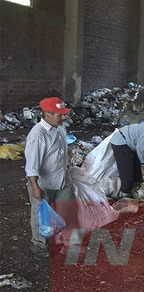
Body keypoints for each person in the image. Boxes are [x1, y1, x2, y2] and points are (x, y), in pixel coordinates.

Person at [25, 97, 80, 257]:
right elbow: (32, 165)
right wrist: (35, 187)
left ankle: (68, 241)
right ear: (47, 114)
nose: (64, 118)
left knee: (68, 209)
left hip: (63, 178)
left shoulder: (59, 128)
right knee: (41, 215)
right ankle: (39, 244)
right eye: (59, 115)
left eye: (64, 114)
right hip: (44, 183)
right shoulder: (38, 135)